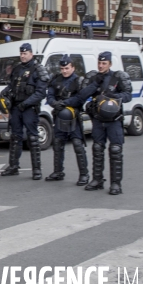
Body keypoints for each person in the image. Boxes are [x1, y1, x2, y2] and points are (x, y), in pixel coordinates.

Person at [75, 51, 132, 195]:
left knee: (115, 150)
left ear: (110, 64)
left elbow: (128, 95)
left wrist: (115, 96)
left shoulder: (117, 77)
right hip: (98, 119)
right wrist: (95, 83)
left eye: (104, 63)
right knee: (97, 148)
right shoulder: (94, 77)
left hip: (114, 120)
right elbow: (82, 95)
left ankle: (116, 184)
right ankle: (97, 180)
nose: (101, 65)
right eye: (99, 63)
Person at [0, 43, 49, 180]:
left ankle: (37, 170)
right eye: (21, 53)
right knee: (15, 137)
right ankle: (13, 166)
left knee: (33, 138)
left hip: (29, 109)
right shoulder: (17, 69)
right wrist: (2, 95)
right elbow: (11, 86)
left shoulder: (38, 69)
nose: (23, 56)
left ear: (31, 54)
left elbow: (40, 93)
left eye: (25, 53)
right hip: (16, 108)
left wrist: (25, 104)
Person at [45, 55, 89, 186]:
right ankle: (58, 172)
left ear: (73, 67)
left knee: (77, 145)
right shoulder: (56, 79)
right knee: (58, 144)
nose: (64, 71)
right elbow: (50, 95)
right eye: (62, 68)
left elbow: (80, 98)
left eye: (67, 68)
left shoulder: (79, 81)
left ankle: (84, 174)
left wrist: (64, 103)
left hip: (73, 116)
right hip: (59, 115)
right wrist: (54, 104)